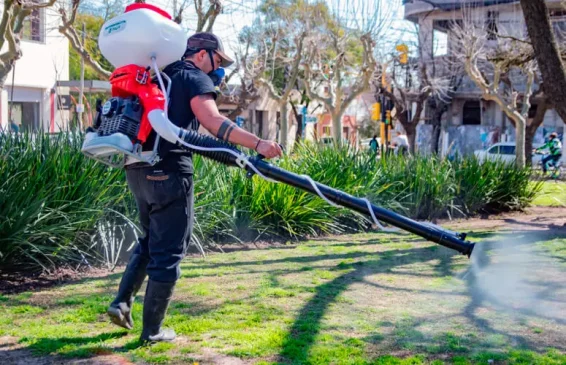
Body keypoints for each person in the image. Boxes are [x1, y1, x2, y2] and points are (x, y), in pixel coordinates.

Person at [107, 32, 282, 343]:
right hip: (170, 171)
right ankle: (153, 331)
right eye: (218, 61)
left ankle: (121, 302)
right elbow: (214, 123)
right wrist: (258, 144)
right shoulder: (193, 78)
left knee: (150, 241)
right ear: (202, 54)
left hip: (136, 169)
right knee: (170, 251)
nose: (219, 69)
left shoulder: (156, 75)